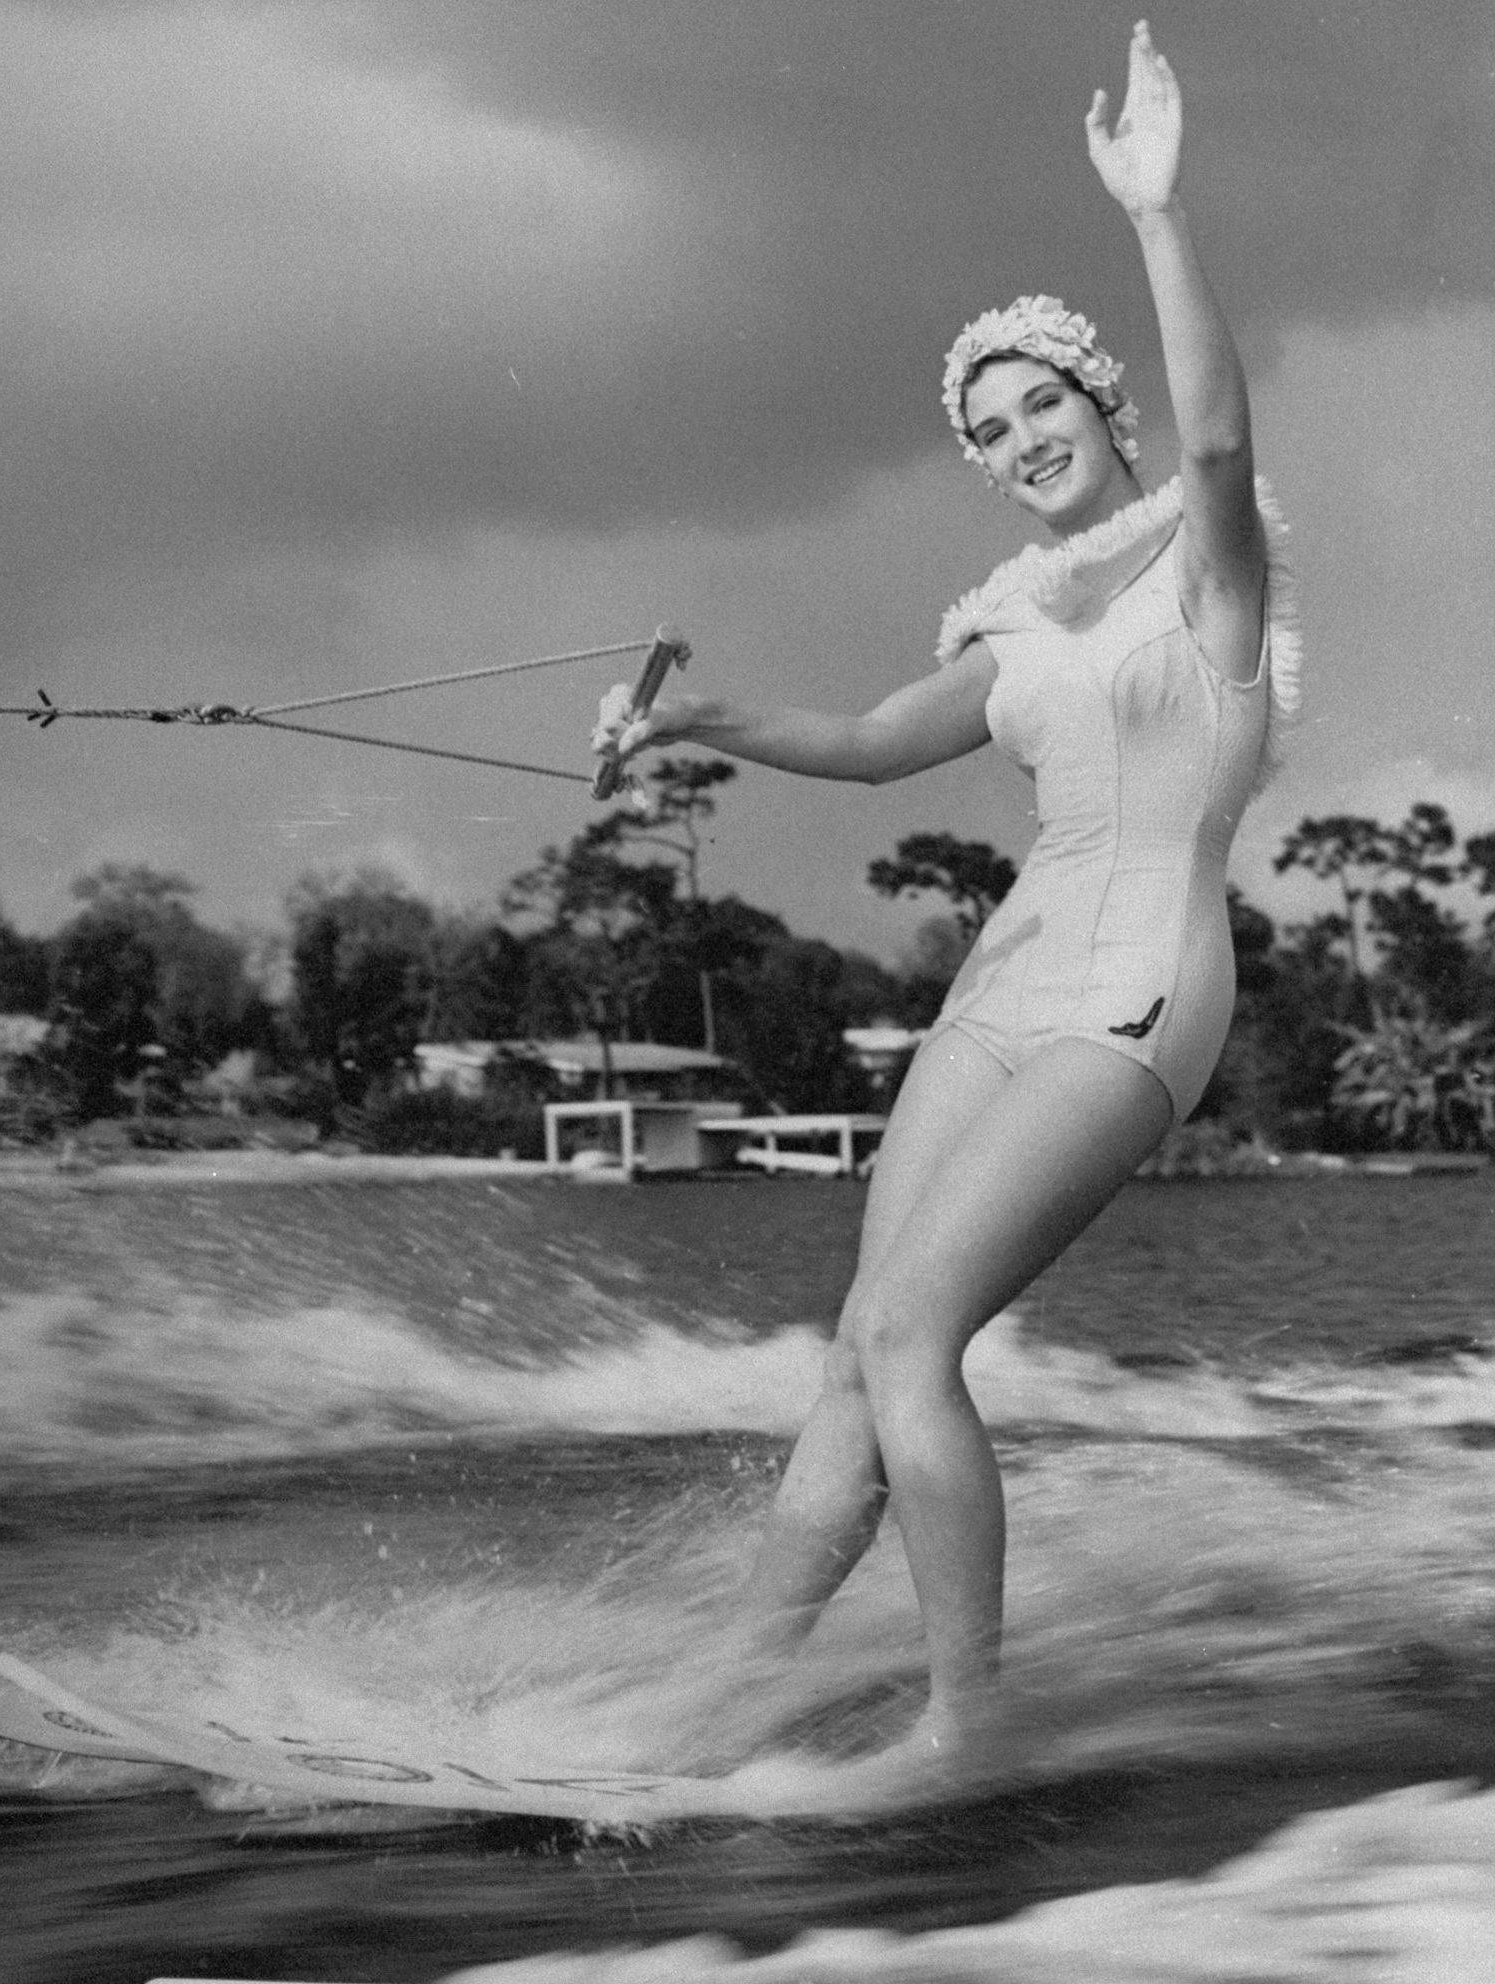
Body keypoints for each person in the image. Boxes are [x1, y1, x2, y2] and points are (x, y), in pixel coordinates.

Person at [593, 20, 1300, 1774]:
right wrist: (686, 716)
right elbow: (856, 738)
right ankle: (735, 1690)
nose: (1020, 440)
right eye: (990, 429)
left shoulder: (1214, 583)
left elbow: (1216, 453)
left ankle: (969, 1718)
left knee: (918, 1330)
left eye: (1043, 403)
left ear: (1100, 405)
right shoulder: (1017, 628)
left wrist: (1155, 207)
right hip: (998, 997)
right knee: (854, 1353)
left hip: (1139, 992)